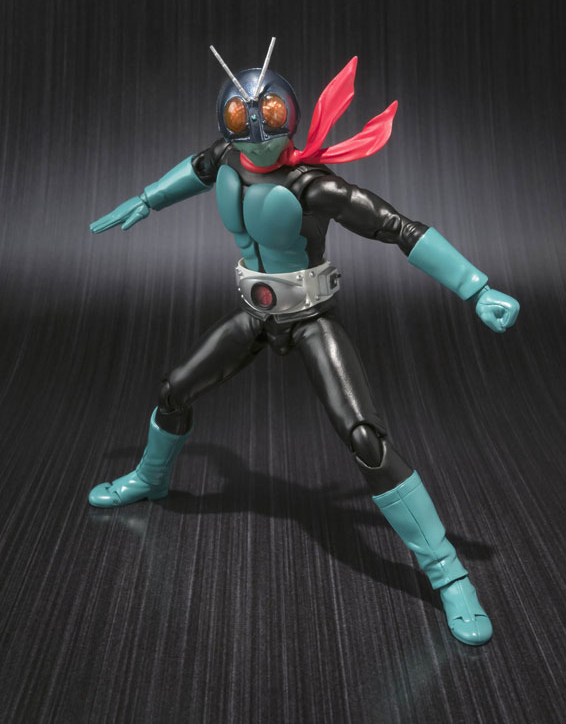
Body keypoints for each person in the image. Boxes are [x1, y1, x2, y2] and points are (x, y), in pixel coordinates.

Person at [88, 39, 519, 646]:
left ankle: (449, 575)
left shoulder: (314, 186)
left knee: (365, 439)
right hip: (255, 316)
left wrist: (477, 288)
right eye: (243, 118)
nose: (258, 131)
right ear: (227, 122)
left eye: (269, 116)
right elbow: (197, 169)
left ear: (289, 116)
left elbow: (399, 228)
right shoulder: (226, 157)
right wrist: (146, 199)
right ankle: (151, 478)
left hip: (312, 318)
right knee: (174, 389)